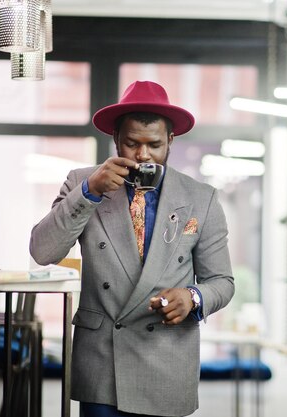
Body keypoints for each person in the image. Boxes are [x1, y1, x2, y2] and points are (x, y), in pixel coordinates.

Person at [30, 80, 235, 417]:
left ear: (171, 140)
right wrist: (89, 192)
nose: (142, 156)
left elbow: (222, 282)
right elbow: (43, 251)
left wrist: (192, 298)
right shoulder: (81, 182)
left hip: (167, 357)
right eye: (131, 144)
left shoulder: (202, 198)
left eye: (154, 145)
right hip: (102, 361)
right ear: (115, 140)